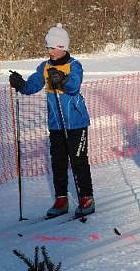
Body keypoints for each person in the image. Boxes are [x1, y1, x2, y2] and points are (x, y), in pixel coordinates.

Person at [8, 23, 95, 218]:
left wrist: (62, 79)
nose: (49, 51)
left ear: (61, 47)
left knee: (79, 161)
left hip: (76, 123)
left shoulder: (74, 65)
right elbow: (33, 85)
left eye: (52, 47)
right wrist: (20, 84)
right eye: (48, 47)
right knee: (58, 162)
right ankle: (61, 198)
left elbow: (74, 86)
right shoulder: (45, 67)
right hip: (56, 124)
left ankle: (86, 198)